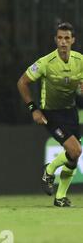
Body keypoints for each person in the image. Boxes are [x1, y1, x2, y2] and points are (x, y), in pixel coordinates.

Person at [17, 22, 83, 207]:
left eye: (67, 38)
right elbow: (22, 82)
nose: (63, 42)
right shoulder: (45, 62)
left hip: (70, 112)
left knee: (74, 155)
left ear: (73, 40)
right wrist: (33, 108)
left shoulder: (80, 60)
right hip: (51, 114)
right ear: (55, 40)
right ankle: (51, 168)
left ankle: (60, 197)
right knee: (75, 150)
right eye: (60, 38)